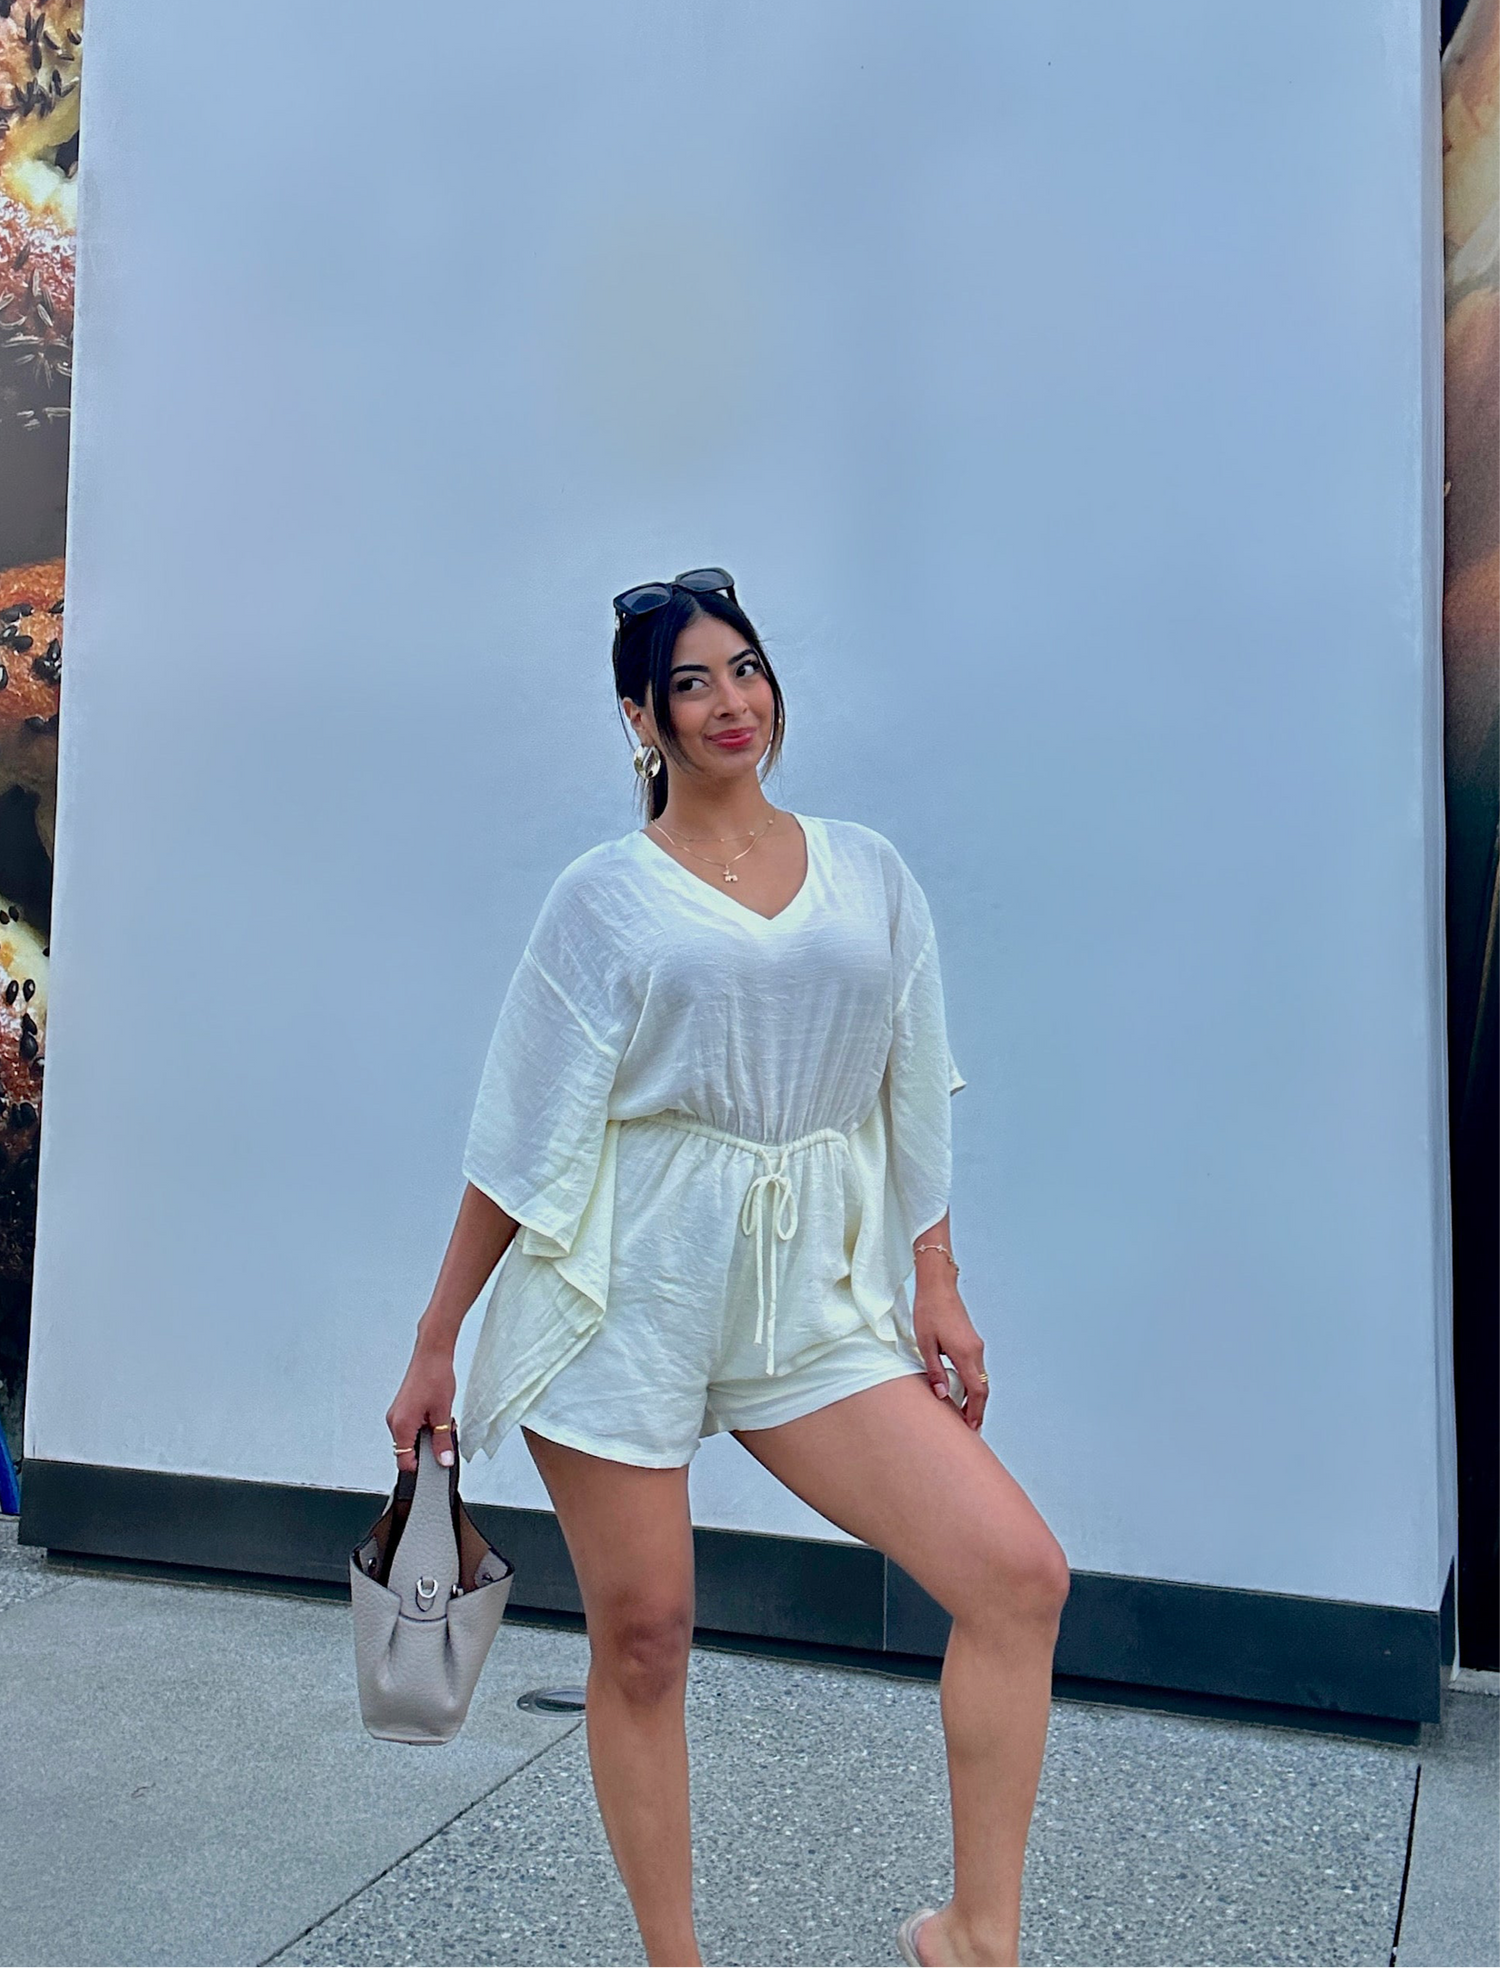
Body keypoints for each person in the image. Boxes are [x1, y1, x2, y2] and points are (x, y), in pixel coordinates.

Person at [386, 568, 1070, 1968]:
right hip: (625, 1283)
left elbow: (911, 1085)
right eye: (689, 684)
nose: (727, 702)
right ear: (641, 719)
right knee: (646, 1637)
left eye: (744, 669)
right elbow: (521, 1136)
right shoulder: (604, 898)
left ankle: (976, 1936)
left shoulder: (867, 870)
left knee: (1017, 1577)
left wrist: (936, 1280)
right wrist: (437, 1338)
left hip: (809, 1292)